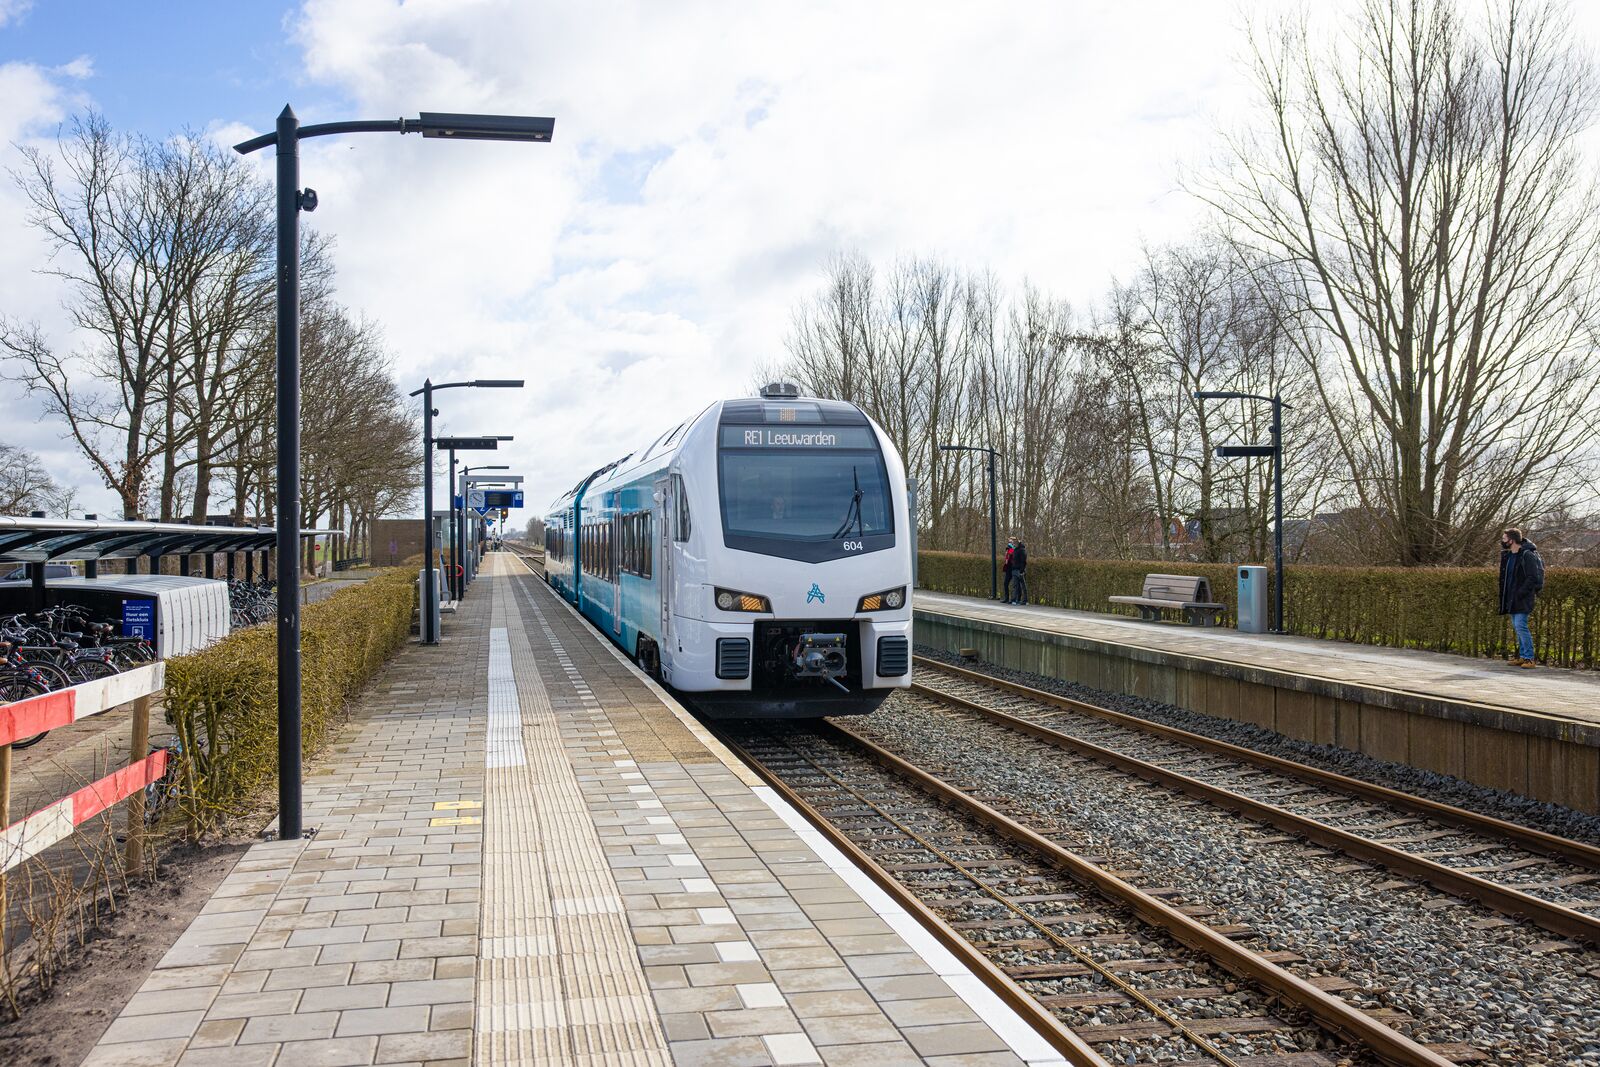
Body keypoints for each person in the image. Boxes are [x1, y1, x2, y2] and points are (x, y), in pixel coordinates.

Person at [1498, 527, 1544, 669]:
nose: (1502, 541)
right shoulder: (1509, 556)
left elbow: (1532, 577)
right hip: (1511, 597)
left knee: (1521, 626)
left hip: (1522, 597)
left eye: (1504, 539)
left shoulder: (1526, 555)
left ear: (1511, 540)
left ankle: (1529, 658)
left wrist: (1521, 592)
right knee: (1517, 627)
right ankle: (1523, 656)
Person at [1009, 537, 1028, 605]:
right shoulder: (1016, 550)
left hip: (1019, 570)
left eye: (1014, 543)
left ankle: (1025, 600)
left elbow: (1023, 561)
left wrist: (1022, 570)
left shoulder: (1022, 550)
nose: (1013, 545)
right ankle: (1014, 599)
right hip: (1015, 569)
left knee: (1023, 586)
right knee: (1015, 586)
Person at [1001, 537, 1016, 602]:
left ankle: (1009, 598)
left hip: (1010, 569)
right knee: (1007, 584)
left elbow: (1009, 560)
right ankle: (1008, 598)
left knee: (1008, 584)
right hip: (1010, 569)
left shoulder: (1011, 550)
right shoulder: (1011, 550)